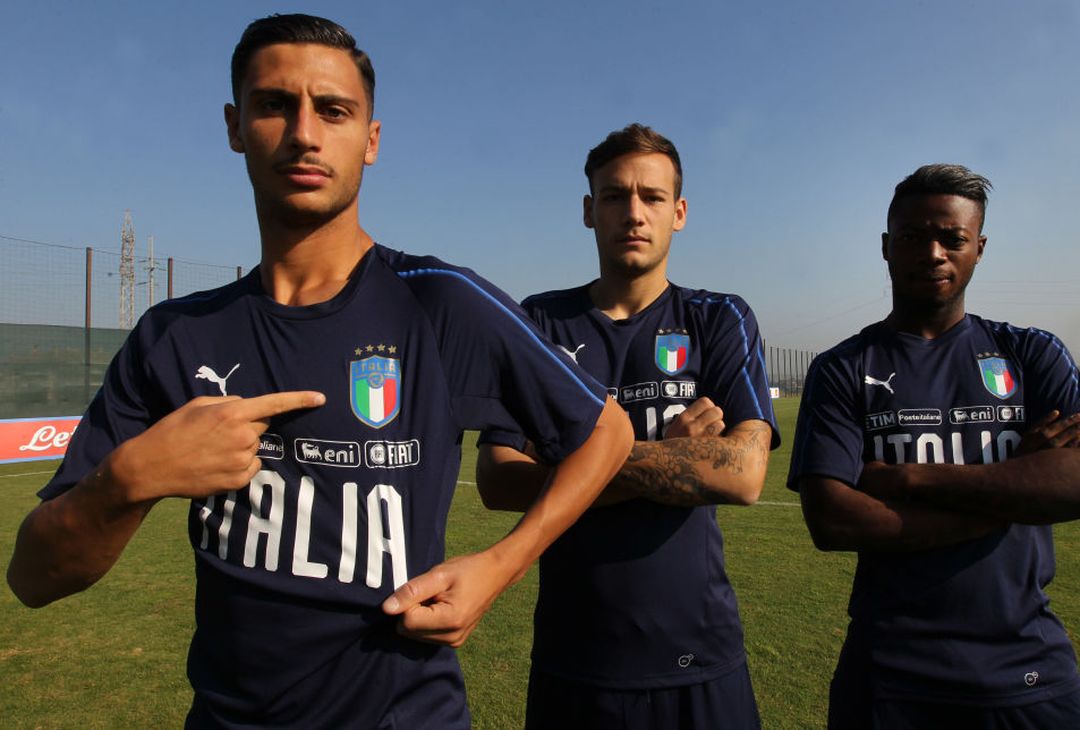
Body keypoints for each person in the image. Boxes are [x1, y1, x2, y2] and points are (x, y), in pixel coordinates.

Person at [6, 14, 633, 729]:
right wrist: (128, 479)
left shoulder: (438, 301)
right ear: (235, 125)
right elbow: (33, 578)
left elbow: (605, 433)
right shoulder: (175, 336)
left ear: (370, 141)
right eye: (275, 104)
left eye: (333, 111)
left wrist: (500, 566)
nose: (305, 133)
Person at [476, 124, 779, 729]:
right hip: (576, 658)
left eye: (652, 197)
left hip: (700, 656)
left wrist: (577, 466)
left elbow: (743, 474)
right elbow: (498, 480)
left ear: (680, 212)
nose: (633, 213)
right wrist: (673, 457)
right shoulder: (537, 321)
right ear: (590, 211)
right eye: (615, 196)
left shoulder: (719, 318)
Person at [788, 163, 1080, 728]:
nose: (935, 253)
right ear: (886, 246)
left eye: (953, 238)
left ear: (980, 247)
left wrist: (910, 479)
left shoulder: (1032, 353)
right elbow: (834, 522)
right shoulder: (844, 368)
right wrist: (1015, 487)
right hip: (890, 676)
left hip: (1027, 673)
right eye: (915, 237)